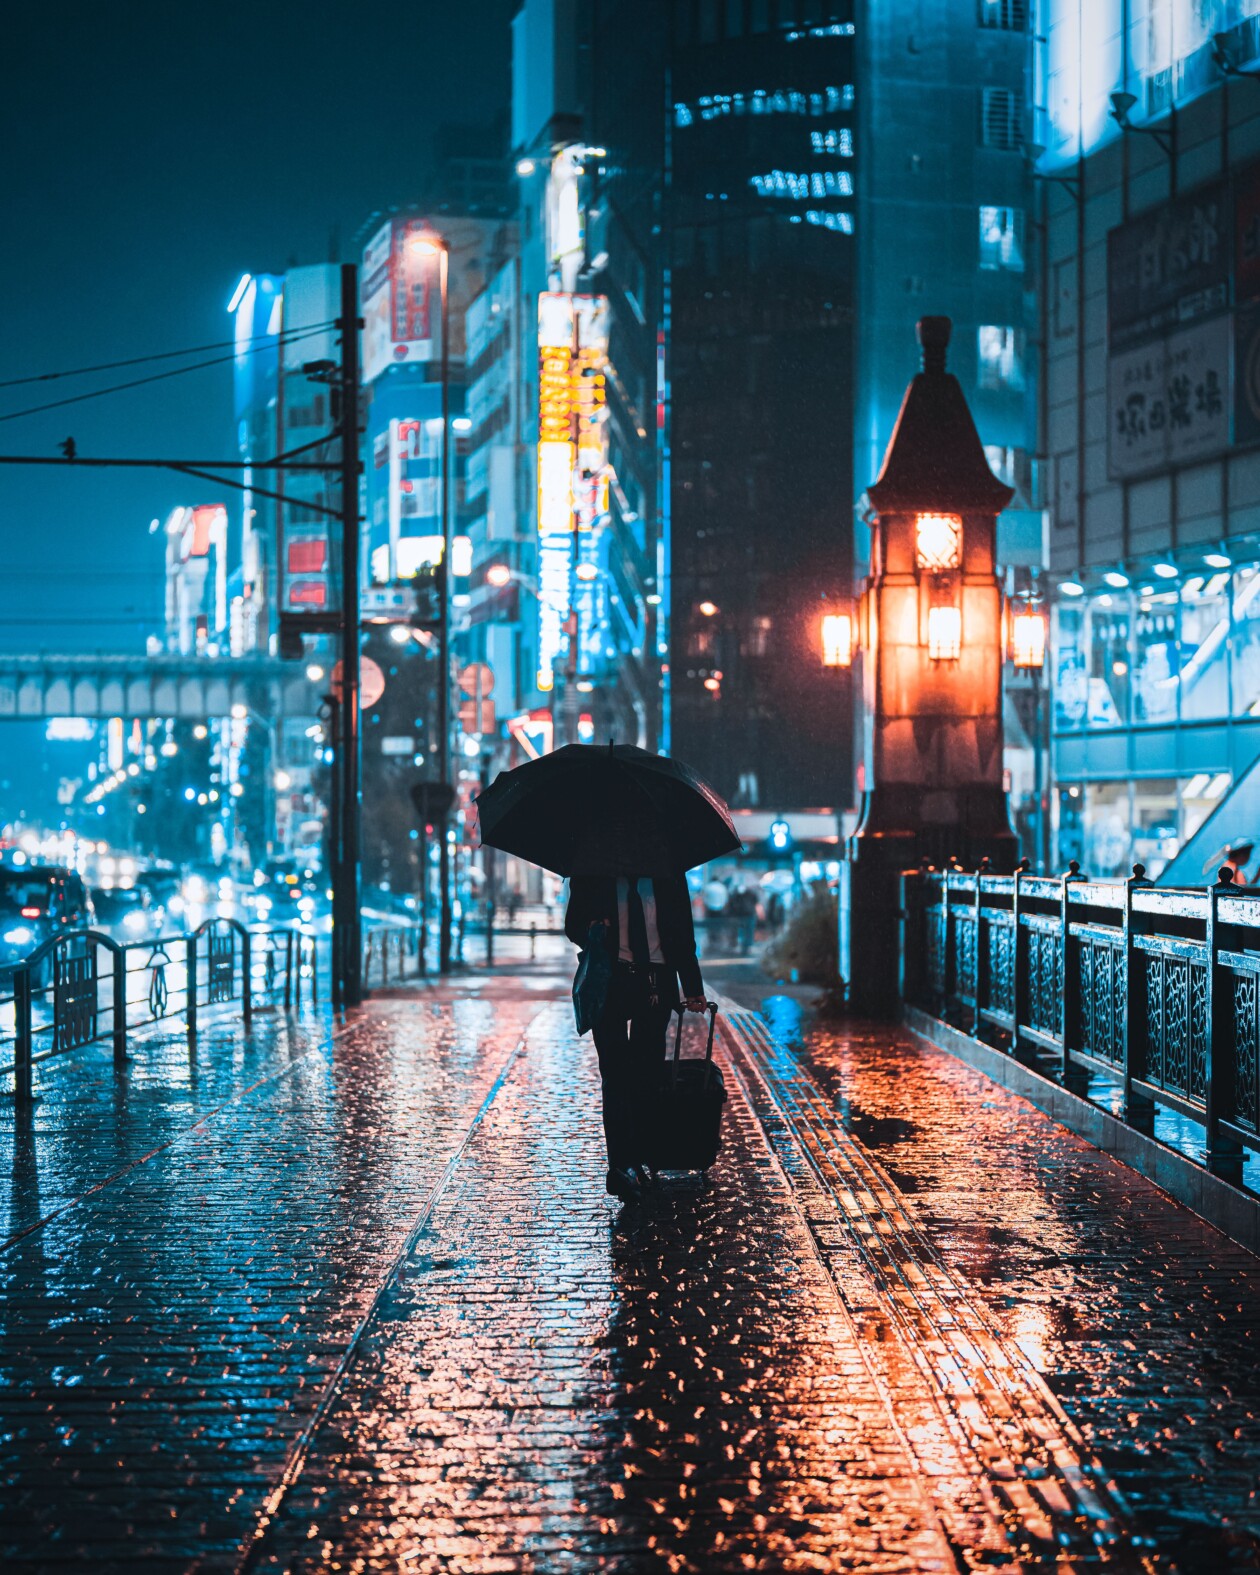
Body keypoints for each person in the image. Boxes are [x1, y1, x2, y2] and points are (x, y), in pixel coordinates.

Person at [566, 870, 708, 1202]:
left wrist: (693, 987)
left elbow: (683, 935)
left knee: (645, 1072)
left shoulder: (668, 877)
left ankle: (642, 1154)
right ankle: (620, 1165)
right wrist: (590, 929)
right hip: (609, 979)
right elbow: (571, 925)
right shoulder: (592, 875)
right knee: (613, 1073)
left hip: (654, 979)